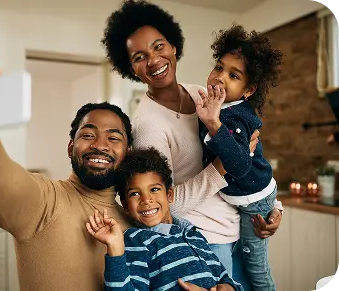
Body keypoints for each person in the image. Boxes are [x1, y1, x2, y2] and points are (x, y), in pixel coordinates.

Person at [0, 63, 224, 291]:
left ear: (127, 152)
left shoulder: (139, 216)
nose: (100, 144)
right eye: (88, 134)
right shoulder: (41, 201)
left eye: (114, 137)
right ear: (71, 146)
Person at [101, 1, 283, 288]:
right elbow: (166, 203)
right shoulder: (148, 125)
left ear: (173, 46)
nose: (153, 60)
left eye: (159, 46)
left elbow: (250, 154)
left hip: (241, 227)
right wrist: (221, 168)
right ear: (131, 68)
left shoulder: (203, 95)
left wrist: (270, 207)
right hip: (205, 243)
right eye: (139, 56)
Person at [195, 24, 283, 291]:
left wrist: (213, 125)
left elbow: (240, 165)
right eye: (219, 67)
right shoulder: (217, 106)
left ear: (248, 90)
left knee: (255, 267)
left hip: (255, 200)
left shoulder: (234, 117)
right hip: (243, 199)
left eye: (233, 75)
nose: (220, 77)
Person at [86, 147, 241, 291]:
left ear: (169, 195)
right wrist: (115, 249)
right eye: (135, 193)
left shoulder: (193, 234)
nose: (146, 200)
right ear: (126, 205)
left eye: (154, 189)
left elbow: (223, 276)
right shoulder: (137, 241)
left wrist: (229, 287)